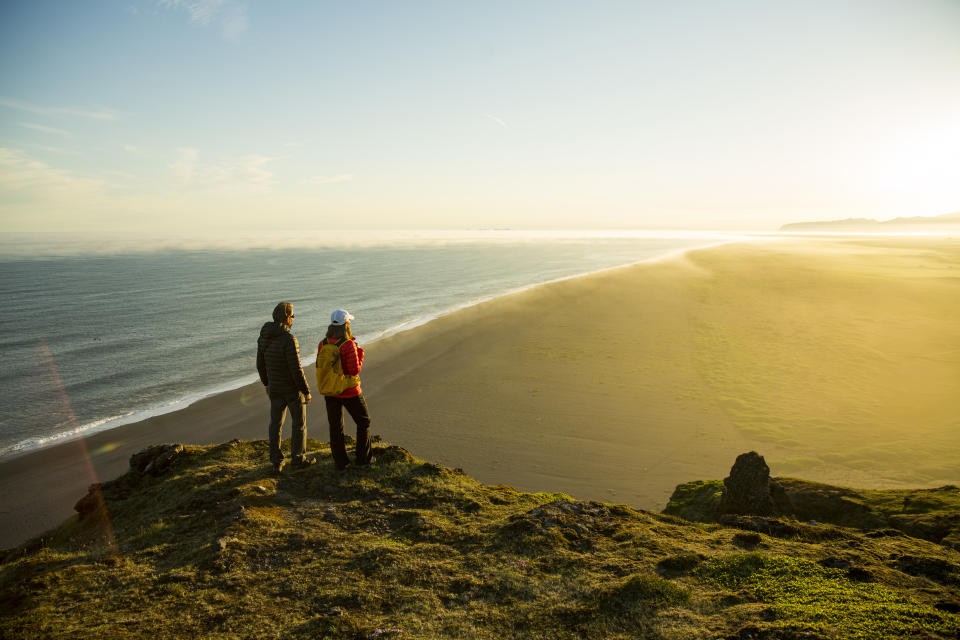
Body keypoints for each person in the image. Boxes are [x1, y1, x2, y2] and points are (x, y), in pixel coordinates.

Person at [256, 301, 314, 473]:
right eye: (292, 316)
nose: (293, 320)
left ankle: (276, 461)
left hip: (274, 388)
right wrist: (306, 391)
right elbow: (296, 369)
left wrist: (266, 383)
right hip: (291, 390)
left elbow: (260, 364)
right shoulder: (289, 340)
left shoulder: (263, 338)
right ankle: (298, 459)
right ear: (287, 318)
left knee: (275, 424)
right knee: (299, 424)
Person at [318, 309, 372, 470]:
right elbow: (354, 370)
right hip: (349, 391)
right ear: (346, 324)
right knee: (364, 421)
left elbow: (320, 366)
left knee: (336, 426)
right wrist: (360, 352)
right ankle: (363, 459)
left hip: (330, 390)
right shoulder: (348, 344)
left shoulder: (324, 343)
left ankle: (341, 463)